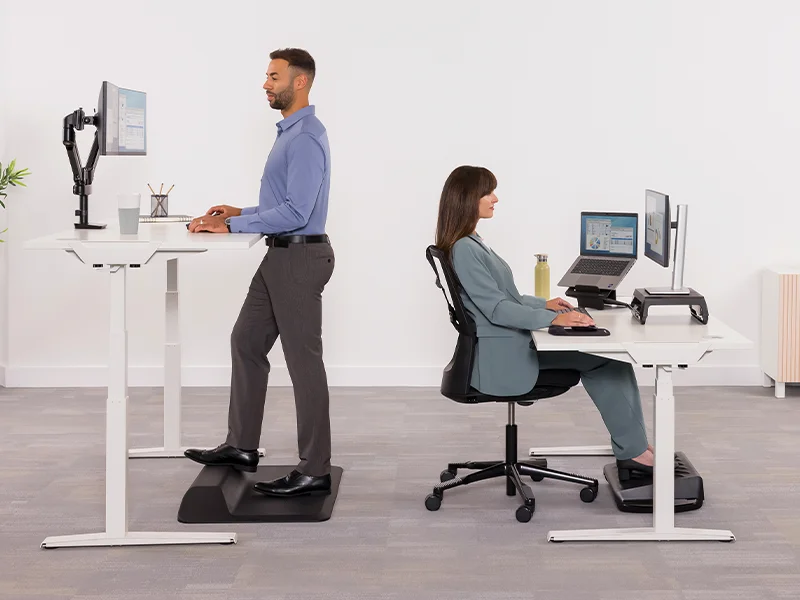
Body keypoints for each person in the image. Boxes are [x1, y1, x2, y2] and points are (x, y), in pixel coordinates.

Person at [435, 165, 656, 478]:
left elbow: (506, 296)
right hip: (504, 359)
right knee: (608, 361)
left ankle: (635, 448)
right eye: (488, 192)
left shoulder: (472, 241)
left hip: (506, 348)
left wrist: (547, 305)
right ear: (468, 198)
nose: (495, 198)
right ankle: (635, 452)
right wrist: (555, 322)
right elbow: (498, 310)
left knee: (606, 359)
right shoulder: (466, 249)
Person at [184, 48, 335, 498]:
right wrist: (240, 211)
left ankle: (315, 468)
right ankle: (241, 446)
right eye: (266, 76)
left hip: (299, 259)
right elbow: (280, 206)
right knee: (246, 341)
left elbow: (297, 211)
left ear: (300, 82)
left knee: (303, 365)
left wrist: (229, 225)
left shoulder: (306, 136)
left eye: (273, 76)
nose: (266, 84)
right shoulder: (289, 133)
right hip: (279, 256)